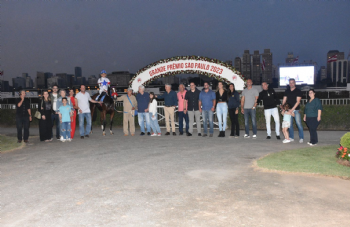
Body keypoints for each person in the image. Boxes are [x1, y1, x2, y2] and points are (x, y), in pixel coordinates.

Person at [282, 78, 304, 143]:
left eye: (292, 82)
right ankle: (291, 137)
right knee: (290, 124)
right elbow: (284, 100)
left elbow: (298, 102)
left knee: (298, 123)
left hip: (296, 110)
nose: (291, 84)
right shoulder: (287, 91)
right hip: (288, 110)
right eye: (290, 82)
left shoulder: (298, 91)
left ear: (295, 83)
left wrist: (292, 110)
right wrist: (283, 108)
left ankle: (301, 137)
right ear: (289, 84)